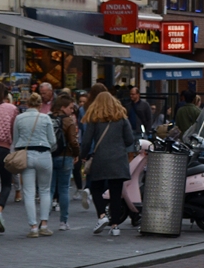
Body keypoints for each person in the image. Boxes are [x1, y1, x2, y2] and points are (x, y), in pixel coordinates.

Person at [82, 91, 137, 236]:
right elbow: (130, 140)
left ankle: (102, 216)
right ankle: (115, 226)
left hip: (100, 159)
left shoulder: (94, 118)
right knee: (116, 193)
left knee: (95, 188)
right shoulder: (121, 118)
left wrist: (83, 155)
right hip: (119, 159)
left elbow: (86, 141)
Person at [12, 92, 56, 237]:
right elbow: (52, 140)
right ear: (40, 104)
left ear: (27, 104)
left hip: (26, 155)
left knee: (29, 192)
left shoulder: (19, 118)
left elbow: (16, 140)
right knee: (45, 190)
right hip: (44, 154)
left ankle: (33, 227)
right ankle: (44, 224)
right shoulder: (45, 118)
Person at [0, 82, 18, 235]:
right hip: (3, 149)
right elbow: (14, 130)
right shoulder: (11, 108)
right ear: (6, 95)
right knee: (6, 183)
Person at [50, 93, 80, 230]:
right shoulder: (69, 121)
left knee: (49, 189)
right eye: (70, 107)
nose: (72, 110)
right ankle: (63, 221)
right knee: (63, 189)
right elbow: (73, 141)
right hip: (66, 157)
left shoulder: (49, 118)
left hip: (50, 156)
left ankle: (44, 221)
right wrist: (76, 154)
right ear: (63, 107)